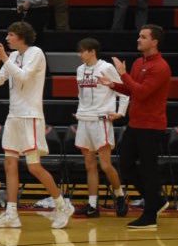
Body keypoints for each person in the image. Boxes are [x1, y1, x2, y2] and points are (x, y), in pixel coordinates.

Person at [0, 21, 72, 229]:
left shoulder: (36, 53)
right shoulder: (13, 56)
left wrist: (4, 58)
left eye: (10, 35)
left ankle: (62, 206)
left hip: (30, 116)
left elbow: (23, 77)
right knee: (9, 164)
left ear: (21, 36)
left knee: (34, 166)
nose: (7, 38)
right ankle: (11, 213)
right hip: (14, 116)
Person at [97, 24, 171, 229]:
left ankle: (150, 216)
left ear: (154, 42)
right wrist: (114, 85)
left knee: (149, 169)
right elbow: (132, 90)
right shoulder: (139, 63)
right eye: (139, 36)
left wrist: (122, 74)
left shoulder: (161, 67)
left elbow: (142, 92)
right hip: (135, 123)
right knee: (126, 165)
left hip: (151, 126)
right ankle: (157, 200)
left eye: (143, 37)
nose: (138, 39)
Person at [72, 38, 128, 218]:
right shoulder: (80, 70)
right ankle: (92, 205)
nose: (80, 54)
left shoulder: (106, 67)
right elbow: (81, 95)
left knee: (105, 165)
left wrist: (120, 112)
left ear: (92, 51)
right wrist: (80, 111)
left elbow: (124, 91)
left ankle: (120, 196)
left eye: (82, 51)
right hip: (84, 120)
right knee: (89, 165)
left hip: (101, 120)